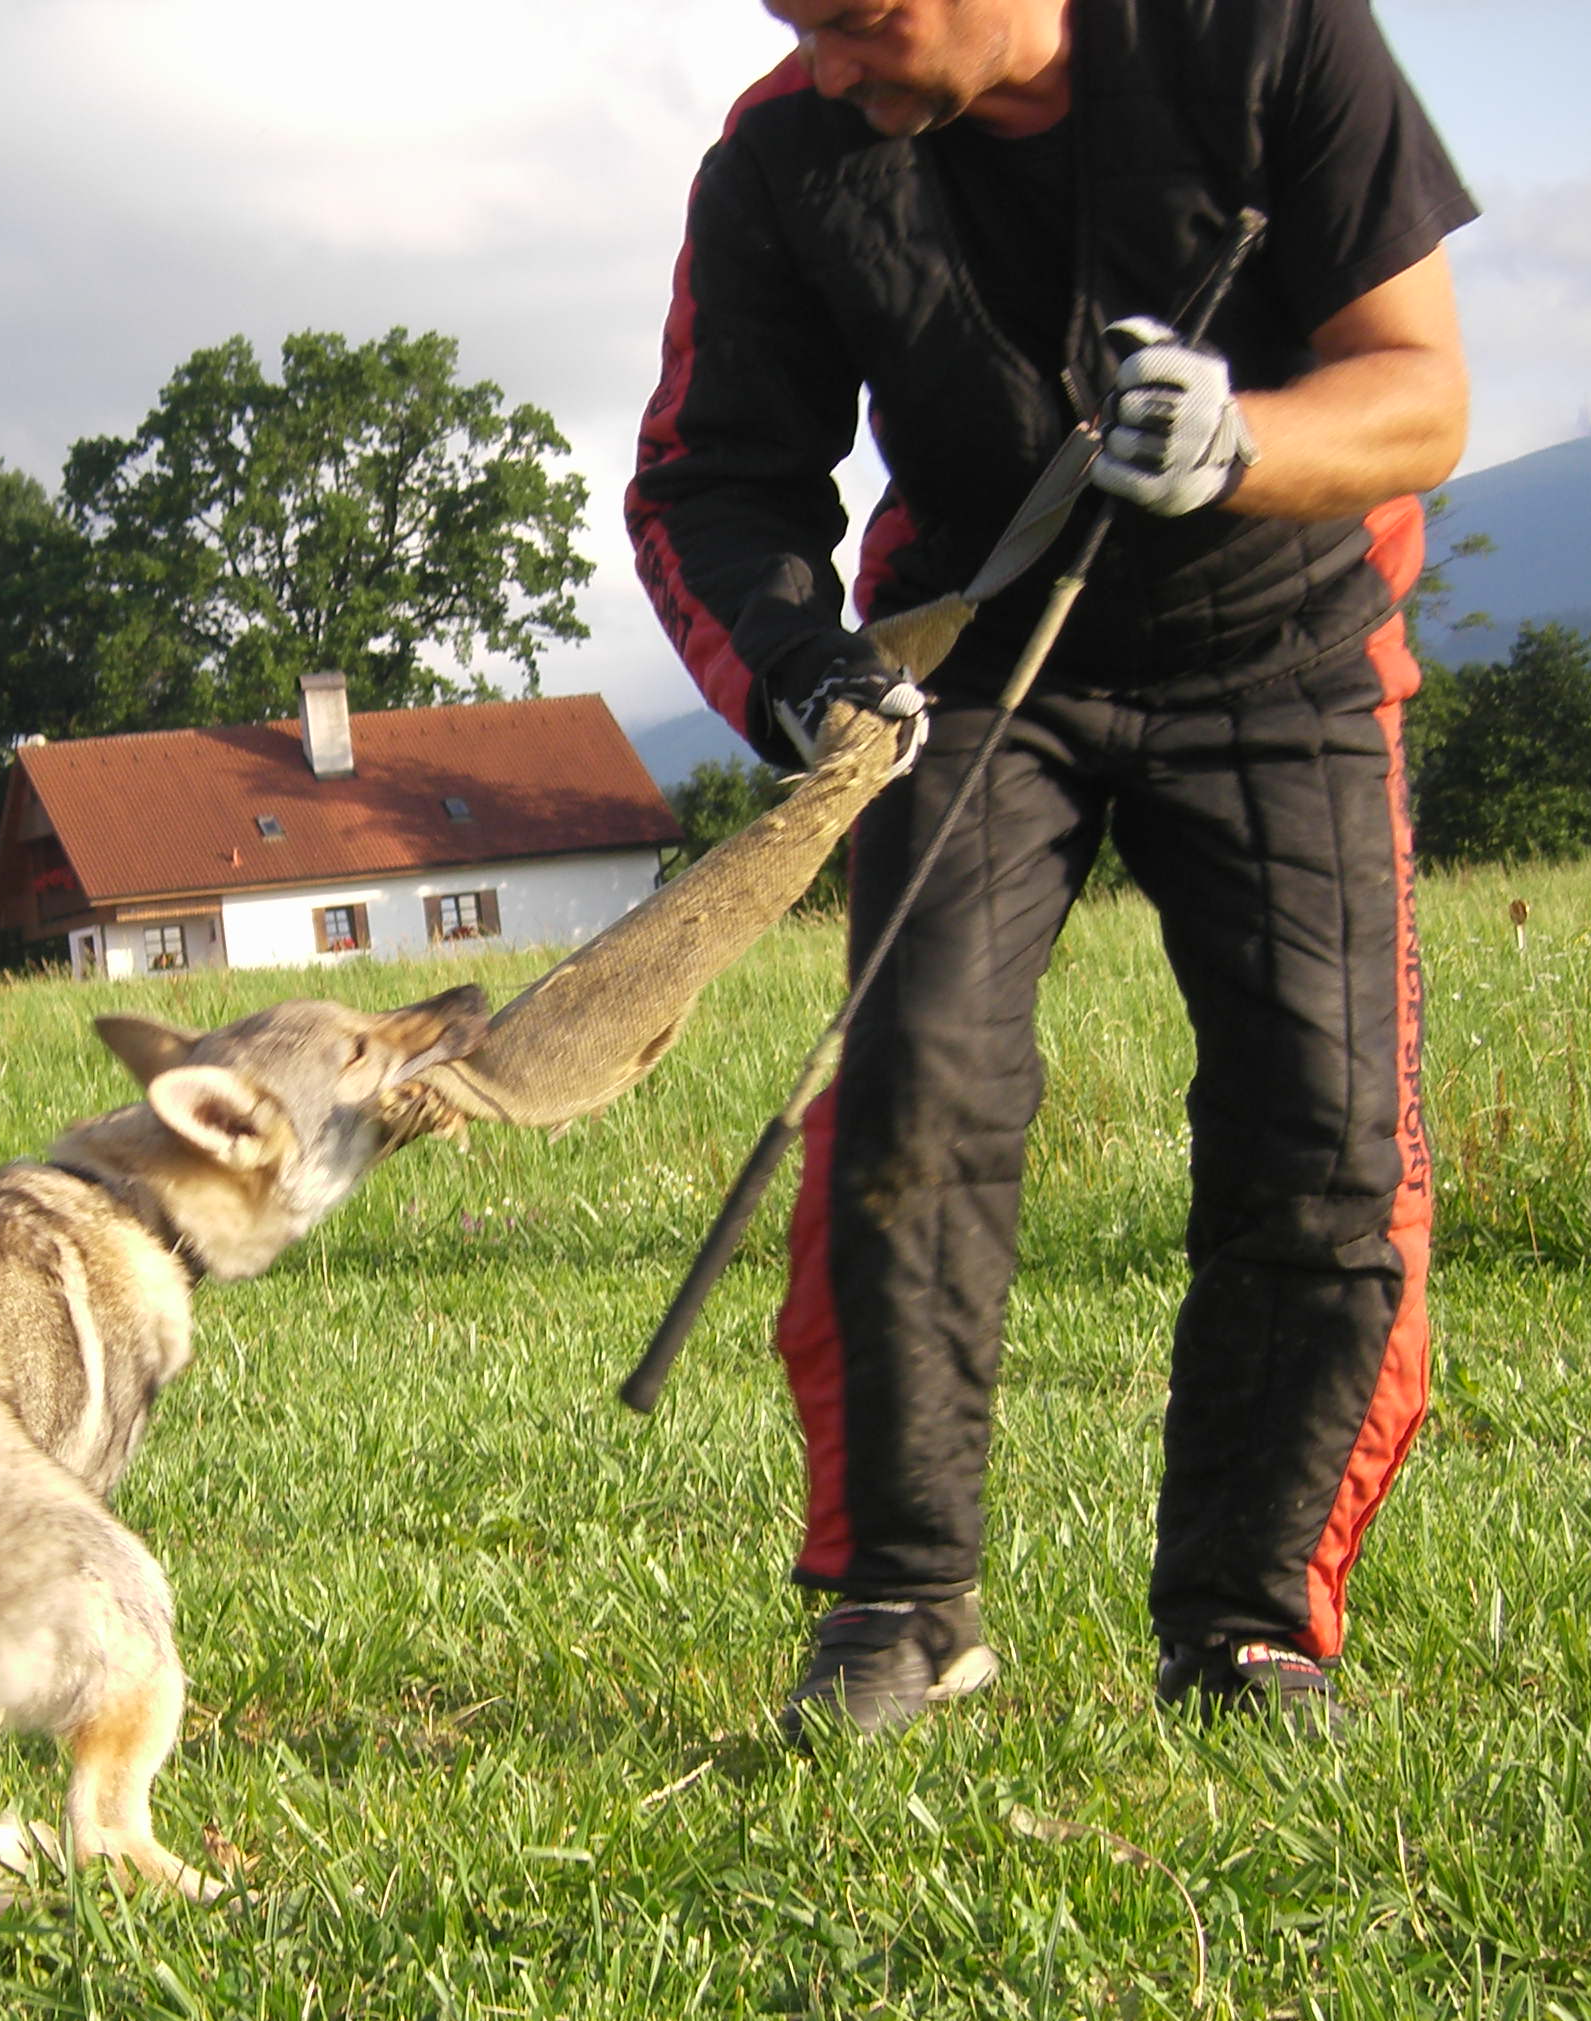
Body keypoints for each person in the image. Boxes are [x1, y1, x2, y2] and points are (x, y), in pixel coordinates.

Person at [627, 0, 1474, 1736]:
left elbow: (1421, 391)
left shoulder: (1274, 37)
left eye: (855, 20)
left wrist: (1249, 444)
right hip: (977, 671)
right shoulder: (781, 152)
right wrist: (808, 673)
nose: (826, 64)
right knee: (911, 1101)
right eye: (796, 23)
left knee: (1325, 1135)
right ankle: (901, 1610)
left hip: (1289, 655)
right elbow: (710, 481)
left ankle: (1253, 1629)